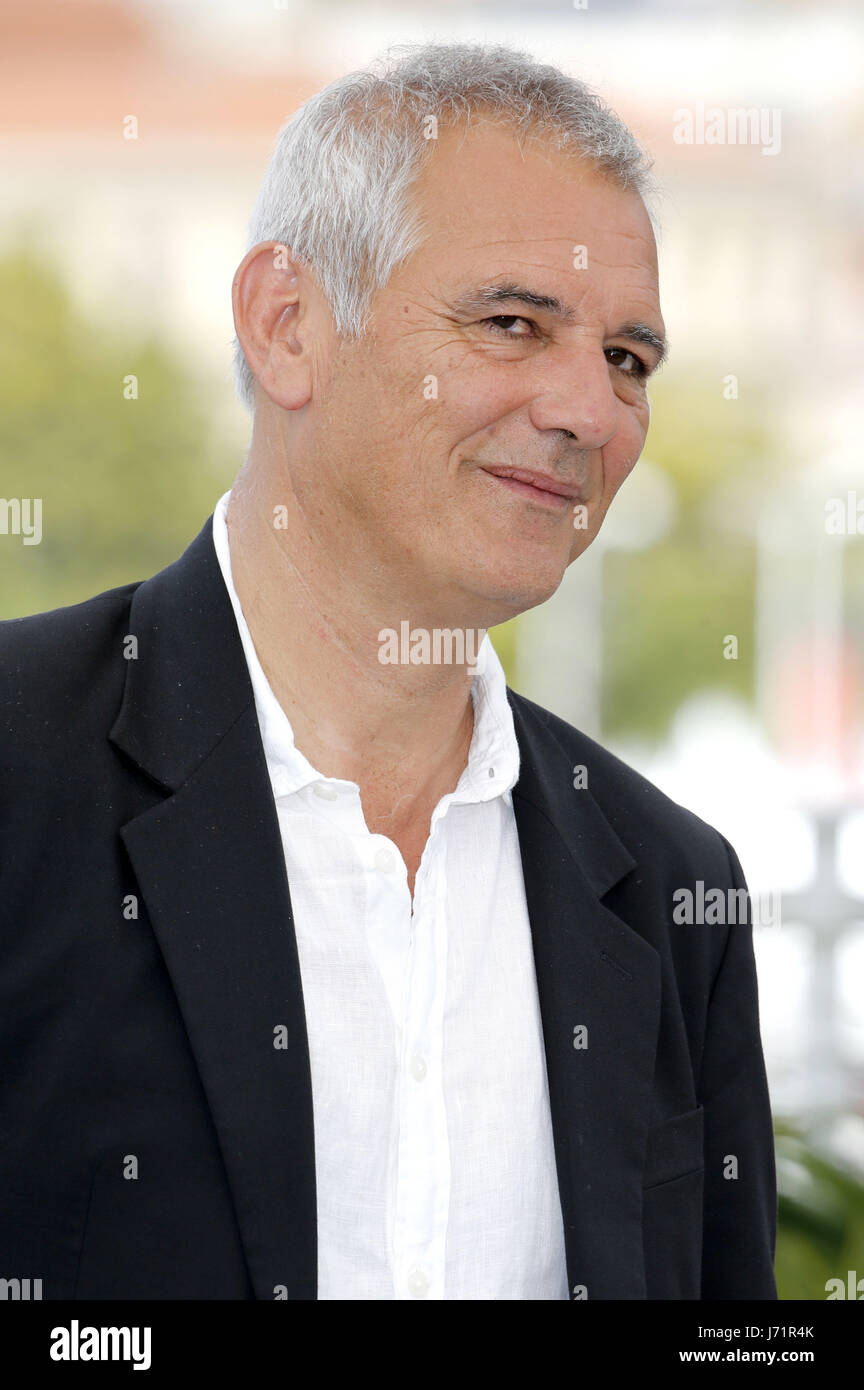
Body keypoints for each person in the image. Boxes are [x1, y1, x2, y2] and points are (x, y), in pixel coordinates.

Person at [0, 41, 776, 1300]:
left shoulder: (673, 890)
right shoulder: (22, 772)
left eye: (629, 359)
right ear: (287, 324)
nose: (590, 408)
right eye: (513, 322)